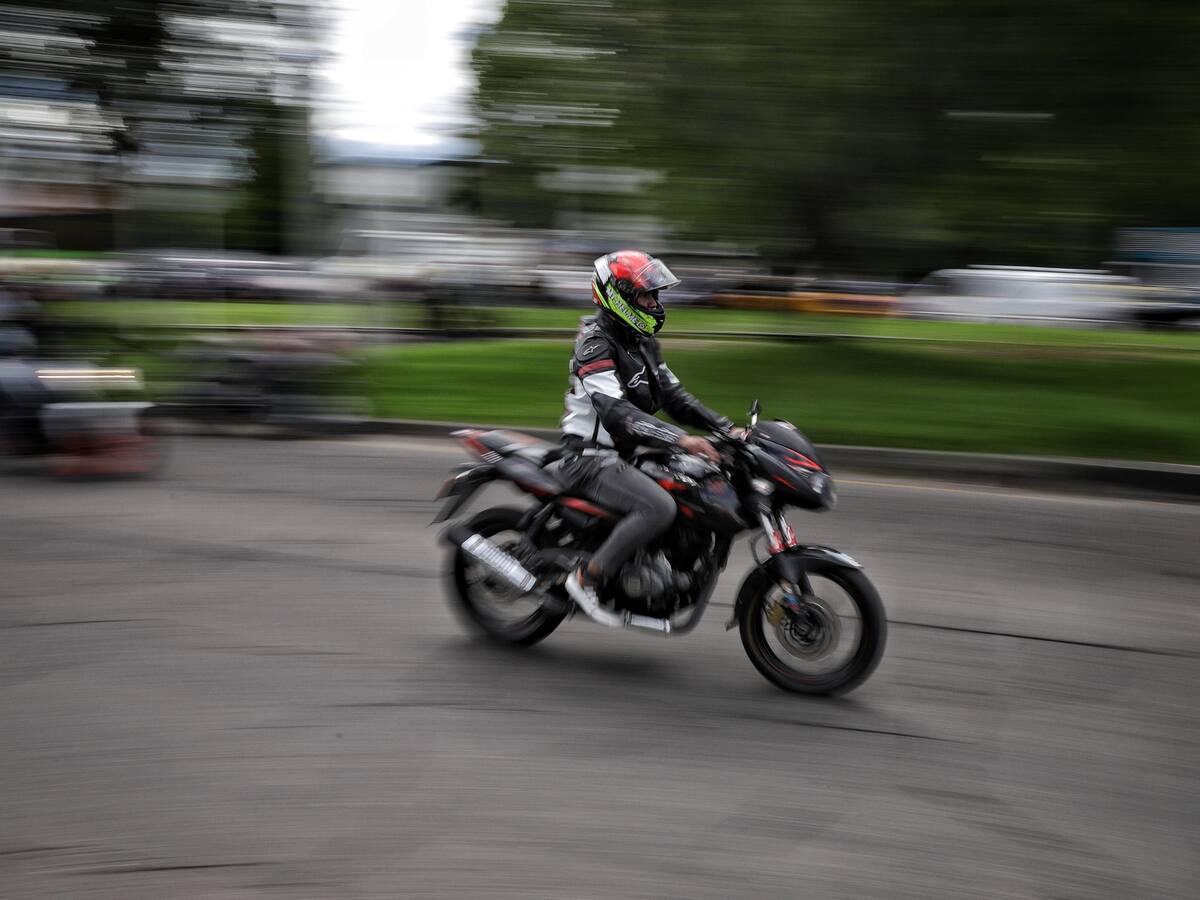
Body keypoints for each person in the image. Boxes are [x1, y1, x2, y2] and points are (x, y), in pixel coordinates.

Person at [560, 249, 734, 625]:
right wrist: (680, 439)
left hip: (624, 456)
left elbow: (675, 398)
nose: (654, 304)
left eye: (655, 295)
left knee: (695, 485)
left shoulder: (642, 342)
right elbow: (616, 413)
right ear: (617, 296)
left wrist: (727, 428)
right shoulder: (595, 344)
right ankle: (586, 577)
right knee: (658, 507)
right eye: (645, 296)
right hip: (589, 459)